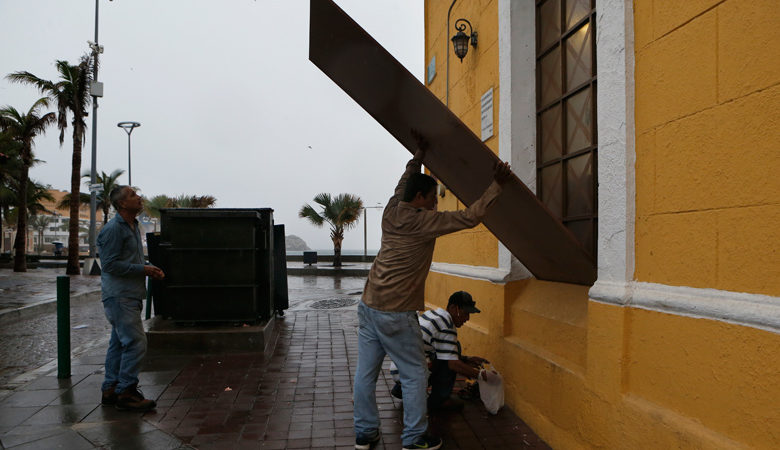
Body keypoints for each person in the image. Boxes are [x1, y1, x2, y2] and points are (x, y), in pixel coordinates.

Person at [353, 134, 512, 450]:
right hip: (396, 312)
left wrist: (419, 154)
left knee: (365, 375)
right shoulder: (424, 221)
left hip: (368, 305)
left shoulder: (392, 208)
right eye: (434, 197)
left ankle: (365, 434)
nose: (437, 202)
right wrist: (497, 185)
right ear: (423, 198)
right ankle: (413, 439)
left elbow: (405, 180)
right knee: (415, 377)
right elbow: (470, 217)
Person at [97, 185, 165, 412]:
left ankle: (111, 389)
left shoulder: (133, 226)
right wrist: (143, 270)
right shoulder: (113, 229)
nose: (139, 197)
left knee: (118, 344)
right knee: (136, 342)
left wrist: (147, 267)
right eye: (133, 195)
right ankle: (126, 392)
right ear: (122, 204)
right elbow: (109, 265)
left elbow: (130, 260)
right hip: (119, 296)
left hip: (129, 295)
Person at [389, 291, 489, 412]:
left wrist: (466, 359)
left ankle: (401, 390)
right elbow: (453, 364)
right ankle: (439, 400)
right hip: (411, 374)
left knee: (450, 351)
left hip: (399, 369)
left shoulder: (434, 314)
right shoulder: (447, 325)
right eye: (465, 313)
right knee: (452, 354)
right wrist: (480, 376)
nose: (467, 318)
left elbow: (439, 350)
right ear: (453, 308)